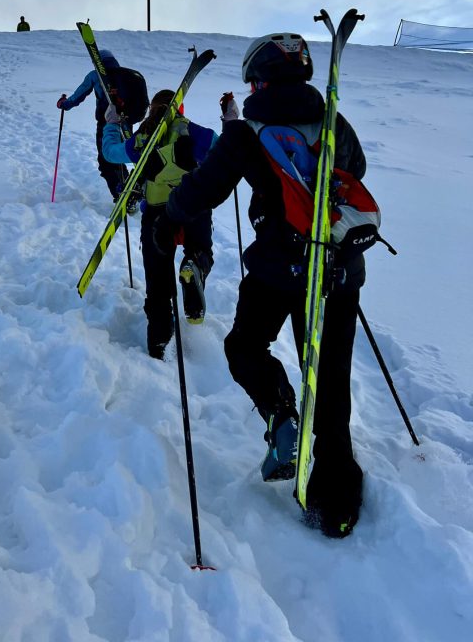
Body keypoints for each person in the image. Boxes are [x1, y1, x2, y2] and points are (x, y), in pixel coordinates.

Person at [156, 32, 367, 538]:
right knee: (330, 376)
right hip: (337, 271)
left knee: (245, 346)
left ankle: (281, 414)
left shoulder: (248, 130)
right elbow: (355, 172)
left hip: (278, 269)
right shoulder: (333, 117)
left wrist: (169, 222)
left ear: (261, 77)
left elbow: (204, 185)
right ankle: (335, 502)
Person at [103, 89, 225, 359]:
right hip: (194, 209)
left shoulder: (144, 137)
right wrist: (229, 122)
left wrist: (111, 125)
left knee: (158, 283)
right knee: (201, 251)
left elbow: (111, 154)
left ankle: (159, 343)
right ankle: (195, 266)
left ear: (152, 110)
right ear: (180, 109)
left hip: (157, 215)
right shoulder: (196, 133)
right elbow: (225, 153)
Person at [56, 50, 127, 201]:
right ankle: (130, 191)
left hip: (106, 123)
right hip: (126, 122)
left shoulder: (95, 75)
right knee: (119, 157)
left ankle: (121, 196)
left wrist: (64, 104)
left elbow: (79, 95)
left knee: (106, 161)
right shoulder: (124, 75)